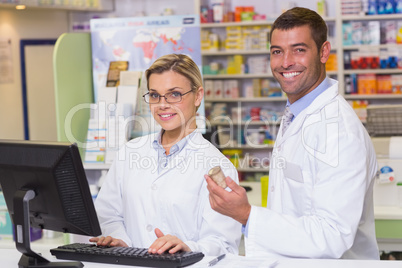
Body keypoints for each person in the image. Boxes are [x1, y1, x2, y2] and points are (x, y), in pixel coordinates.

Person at [205, 7, 379, 259]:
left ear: (323, 52)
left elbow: (332, 234)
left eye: (299, 49)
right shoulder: (297, 114)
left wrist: (246, 214)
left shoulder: (339, 131)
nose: (285, 62)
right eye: (277, 51)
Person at [90, 54, 241, 256]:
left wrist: (189, 248)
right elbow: (107, 214)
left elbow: (223, 243)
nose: (162, 104)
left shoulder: (217, 166)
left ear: (198, 96)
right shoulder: (130, 152)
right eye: (154, 95)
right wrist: (121, 240)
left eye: (174, 94)